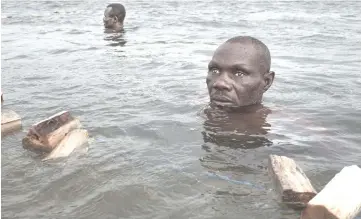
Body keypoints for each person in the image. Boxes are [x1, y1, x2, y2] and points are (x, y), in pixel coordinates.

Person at [206, 36, 275, 112]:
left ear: (267, 82)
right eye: (215, 71)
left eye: (239, 74)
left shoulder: (280, 122)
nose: (220, 83)